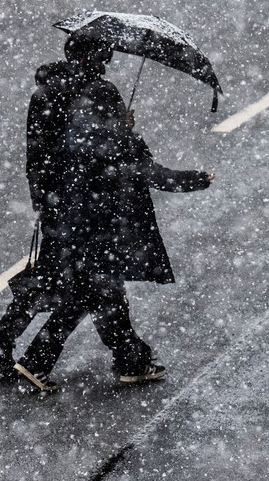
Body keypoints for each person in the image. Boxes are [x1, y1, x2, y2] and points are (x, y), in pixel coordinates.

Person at [11, 69, 214, 391]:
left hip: (78, 231)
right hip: (106, 234)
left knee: (99, 298)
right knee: (94, 298)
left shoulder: (76, 139)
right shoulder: (118, 143)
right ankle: (43, 361)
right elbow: (152, 173)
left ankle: (128, 361)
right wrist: (196, 179)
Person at [0, 34, 112, 377]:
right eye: (102, 57)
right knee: (87, 284)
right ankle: (32, 355)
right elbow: (96, 151)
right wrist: (121, 127)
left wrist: (43, 197)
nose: (106, 64)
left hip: (55, 201)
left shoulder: (44, 92)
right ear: (90, 58)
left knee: (51, 277)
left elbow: (37, 152)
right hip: (83, 204)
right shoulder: (95, 93)